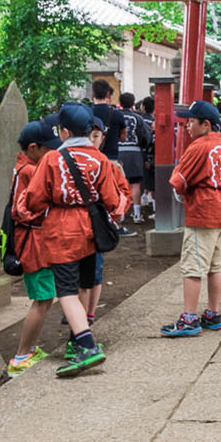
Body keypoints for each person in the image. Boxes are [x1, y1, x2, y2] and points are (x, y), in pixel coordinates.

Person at [16, 104, 114, 377]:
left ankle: (86, 344)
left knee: (67, 291)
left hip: (62, 230)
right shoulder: (99, 160)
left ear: (65, 131)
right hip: (91, 231)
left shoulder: (52, 160)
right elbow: (113, 199)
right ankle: (77, 343)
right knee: (83, 285)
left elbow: (35, 199)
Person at [162, 100, 221, 337]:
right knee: (216, 265)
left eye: (191, 122)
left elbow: (179, 180)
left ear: (205, 124)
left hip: (202, 211)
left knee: (193, 266)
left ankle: (189, 318)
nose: (187, 127)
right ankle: (213, 313)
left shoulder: (198, 148)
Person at [6, 122, 61, 375]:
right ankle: (20, 356)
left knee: (45, 298)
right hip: (34, 245)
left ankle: (29, 349)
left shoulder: (28, 167)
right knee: (41, 300)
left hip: (37, 242)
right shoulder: (29, 171)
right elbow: (23, 210)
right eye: (46, 148)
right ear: (32, 148)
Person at [82, 119, 133, 324]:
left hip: (98, 224)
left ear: (103, 138)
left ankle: (89, 313)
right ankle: (78, 310)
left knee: (95, 271)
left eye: (96, 136)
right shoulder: (75, 159)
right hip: (80, 224)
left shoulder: (106, 164)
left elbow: (123, 193)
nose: (92, 140)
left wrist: (115, 216)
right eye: (89, 136)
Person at [117, 91, 151, 223]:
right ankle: (137, 213)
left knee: (119, 184)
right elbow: (146, 135)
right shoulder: (138, 118)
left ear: (120, 103)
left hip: (118, 151)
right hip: (135, 152)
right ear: (133, 104)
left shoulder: (115, 116)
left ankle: (121, 215)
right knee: (135, 183)